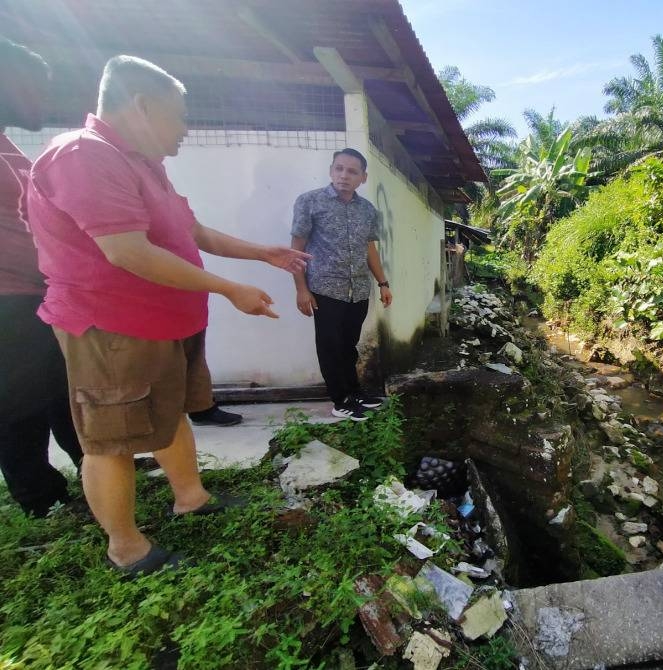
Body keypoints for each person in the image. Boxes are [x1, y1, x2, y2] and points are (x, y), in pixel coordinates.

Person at [26, 55, 309, 576]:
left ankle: (190, 497)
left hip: (164, 323)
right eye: (180, 115)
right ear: (142, 106)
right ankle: (127, 548)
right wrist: (228, 289)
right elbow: (127, 251)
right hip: (113, 327)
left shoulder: (141, 162)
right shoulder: (84, 156)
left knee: (170, 411)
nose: (186, 128)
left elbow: (192, 231)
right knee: (110, 440)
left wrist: (261, 253)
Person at [0, 38, 83, 517]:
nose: (44, 99)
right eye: (35, 87)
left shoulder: (9, 145)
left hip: (43, 291)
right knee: (17, 403)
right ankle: (39, 499)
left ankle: (92, 467)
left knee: (62, 388)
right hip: (7, 298)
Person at [290, 148, 392, 423]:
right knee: (330, 345)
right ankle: (340, 399)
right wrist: (301, 289)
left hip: (358, 290)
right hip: (325, 289)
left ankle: (354, 393)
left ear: (363, 177)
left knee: (349, 345)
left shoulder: (367, 210)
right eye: (339, 169)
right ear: (331, 170)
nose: (344, 176)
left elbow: (369, 249)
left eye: (352, 171)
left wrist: (383, 283)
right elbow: (296, 250)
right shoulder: (310, 202)